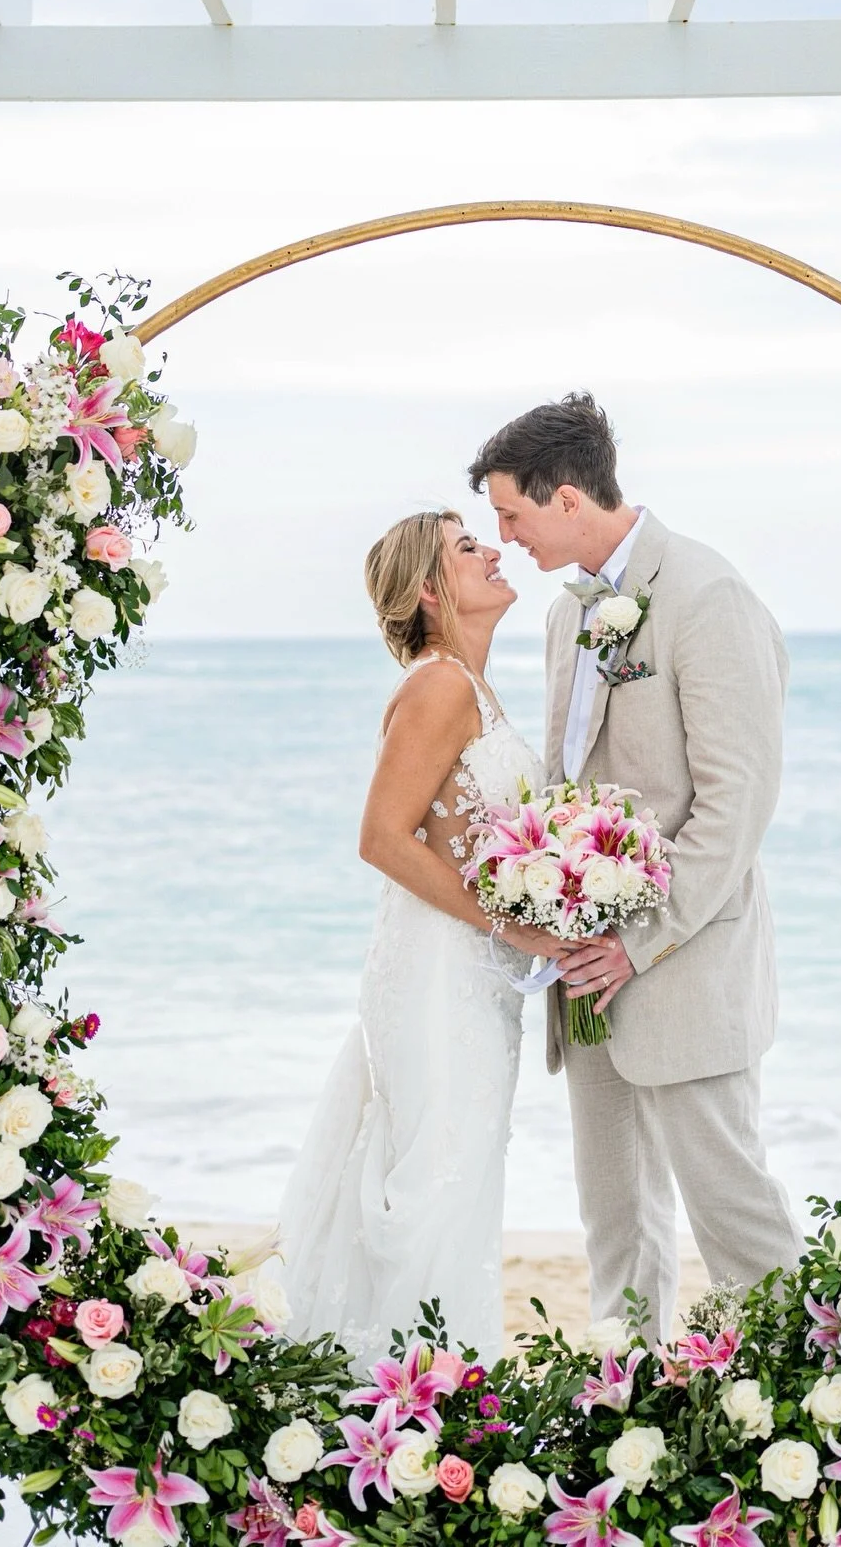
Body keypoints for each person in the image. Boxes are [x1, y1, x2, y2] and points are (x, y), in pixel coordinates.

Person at [469, 393, 804, 1342]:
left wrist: (638, 941)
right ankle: (631, 1409)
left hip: (683, 965)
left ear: (567, 498)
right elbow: (571, 785)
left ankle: (807, 1407)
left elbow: (735, 807)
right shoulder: (566, 618)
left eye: (512, 515)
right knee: (615, 1221)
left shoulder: (707, 597)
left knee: (733, 1214)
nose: (508, 537)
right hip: (583, 975)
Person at [277, 509, 554, 1366]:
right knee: (432, 1185)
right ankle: (407, 1405)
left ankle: (430, 1398)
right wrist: (516, 925)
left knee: (456, 1177)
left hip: (475, 979)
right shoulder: (439, 686)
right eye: (468, 548)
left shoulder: (472, 686)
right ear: (432, 593)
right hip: (439, 976)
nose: (494, 550)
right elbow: (382, 837)